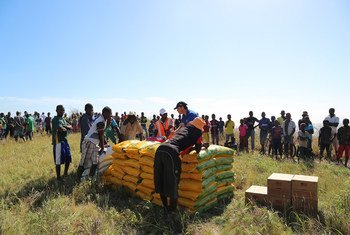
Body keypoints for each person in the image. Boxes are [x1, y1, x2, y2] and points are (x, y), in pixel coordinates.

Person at [154, 117, 205, 216]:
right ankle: (172, 212)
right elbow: (198, 149)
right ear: (200, 128)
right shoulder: (198, 133)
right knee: (173, 183)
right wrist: (200, 146)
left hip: (160, 149)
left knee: (161, 179)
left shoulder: (184, 129)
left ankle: (165, 208)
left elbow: (177, 139)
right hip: (172, 152)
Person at [77, 106, 112, 179]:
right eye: (110, 113)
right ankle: (77, 178)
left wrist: (105, 144)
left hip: (94, 143)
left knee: (95, 162)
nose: (111, 115)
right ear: (105, 113)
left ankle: (90, 178)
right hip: (89, 142)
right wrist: (103, 147)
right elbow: (100, 135)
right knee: (84, 163)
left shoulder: (103, 120)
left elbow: (102, 134)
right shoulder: (100, 121)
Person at [52, 105, 72, 180]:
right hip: (58, 142)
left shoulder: (63, 119)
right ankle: (58, 178)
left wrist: (65, 127)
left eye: (63, 110)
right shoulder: (55, 119)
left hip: (65, 141)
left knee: (68, 158)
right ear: (56, 110)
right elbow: (60, 129)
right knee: (58, 161)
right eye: (60, 110)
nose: (62, 111)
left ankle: (65, 173)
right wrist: (66, 127)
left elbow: (71, 126)